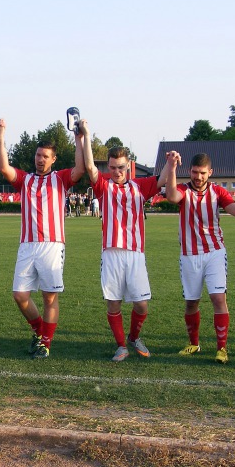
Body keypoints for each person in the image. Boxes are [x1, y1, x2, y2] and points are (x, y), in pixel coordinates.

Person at [0, 118, 85, 358]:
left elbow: (81, 168)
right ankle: (39, 331)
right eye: (38, 155)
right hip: (27, 245)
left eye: (45, 156)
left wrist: (79, 139)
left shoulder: (61, 178)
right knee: (20, 295)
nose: (40, 159)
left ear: (53, 159)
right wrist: (0, 135)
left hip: (52, 245)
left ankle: (46, 343)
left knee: (49, 296)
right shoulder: (25, 180)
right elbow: (3, 167)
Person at [158, 151, 235, 364]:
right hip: (189, 255)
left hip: (214, 252)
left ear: (210, 172)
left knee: (218, 298)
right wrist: (172, 167)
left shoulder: (218, 192)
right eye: (194, 172)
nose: (198, 177)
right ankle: (194, 343)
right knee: (191, 302)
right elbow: (172, 196)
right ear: (189, 171)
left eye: (202, 173)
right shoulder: (183, 190)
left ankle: (221, 348)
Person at [84, 141, 159, 362]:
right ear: (108, 168)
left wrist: (172, 164)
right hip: (111, 253)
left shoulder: (140, 187)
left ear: (128, 167)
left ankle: (134, 337)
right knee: (113, 302)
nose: (117, 172)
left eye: (121, 167)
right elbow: (89, 166)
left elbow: (162, 179)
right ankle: (121, 346)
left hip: (135, 253)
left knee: (142, 304)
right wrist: (86, 136)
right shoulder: (103, 187)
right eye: (113, 167)